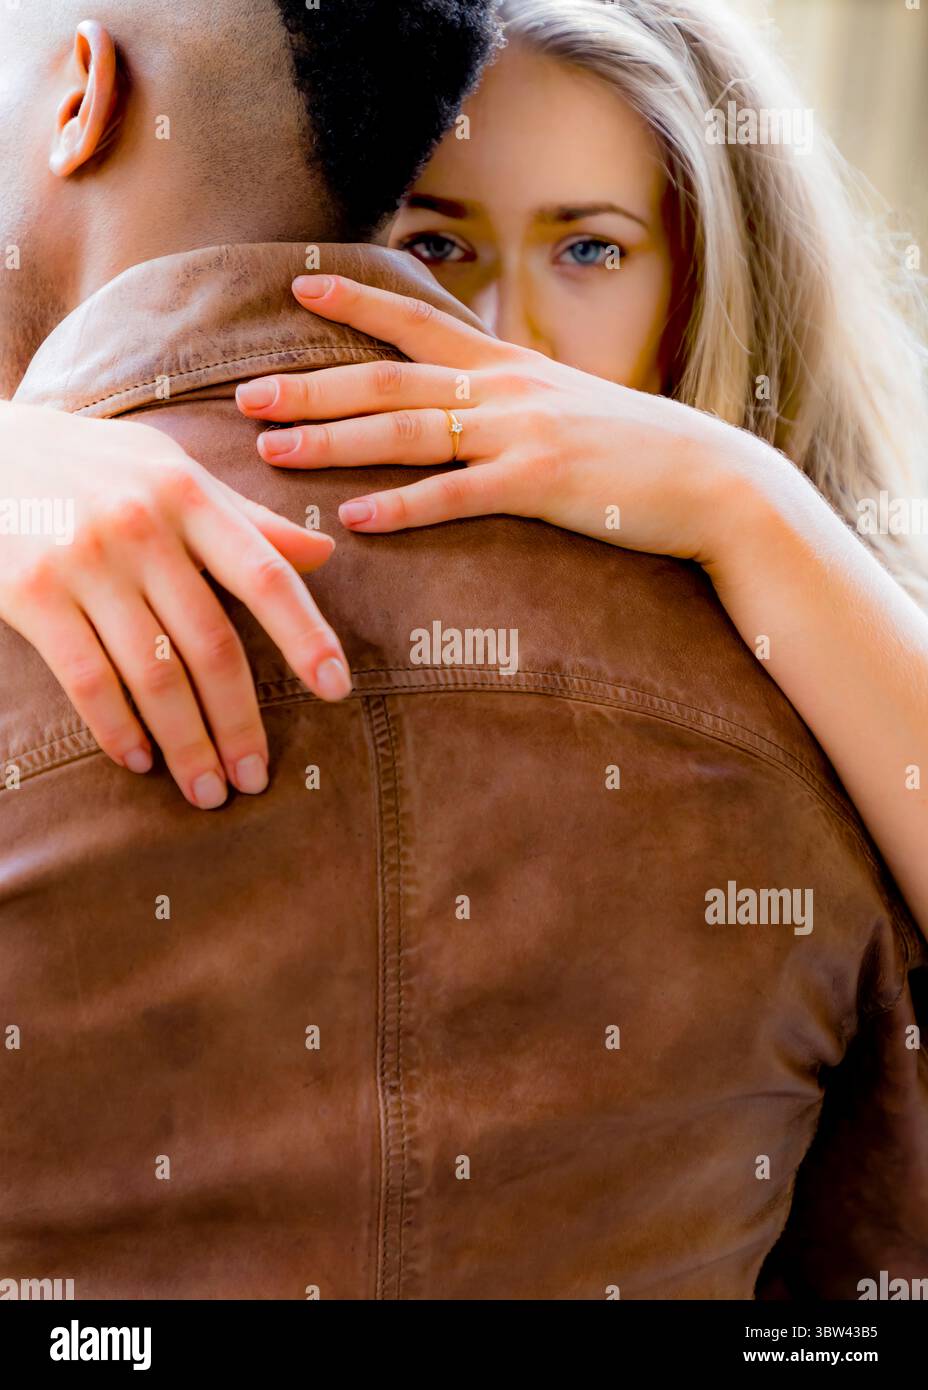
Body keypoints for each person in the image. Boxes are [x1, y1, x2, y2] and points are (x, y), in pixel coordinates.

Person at [0, 0, 925, 1300]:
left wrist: (747, 499)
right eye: (430, 245)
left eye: (591, 250)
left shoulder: (833, 644)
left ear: (716, 269)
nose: (497, 336)